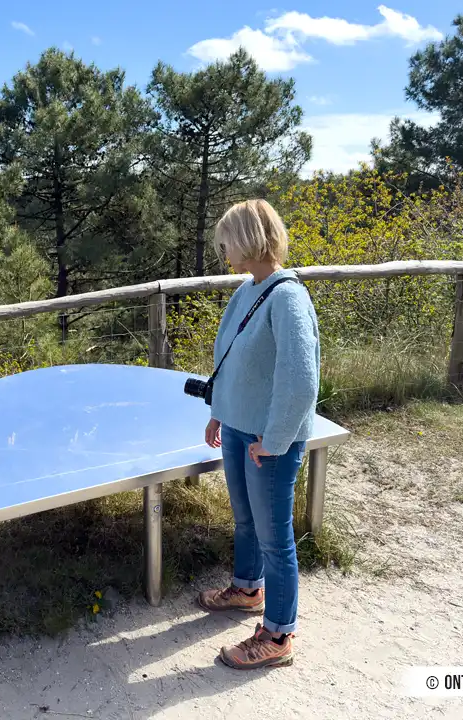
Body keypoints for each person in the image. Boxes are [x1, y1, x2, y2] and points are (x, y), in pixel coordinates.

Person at [197, 198, 320, 670]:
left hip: (270, 440)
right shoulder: (247, 289)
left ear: (247, 238)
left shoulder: (288, 297)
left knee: (275, 538)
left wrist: (275, 439)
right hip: (239, 428)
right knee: (246, 521)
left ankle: (278, 634)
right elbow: (232, 362)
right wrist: (219, 412)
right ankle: (248, 590)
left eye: (226, 239)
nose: (222, 248)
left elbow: (301, 379)